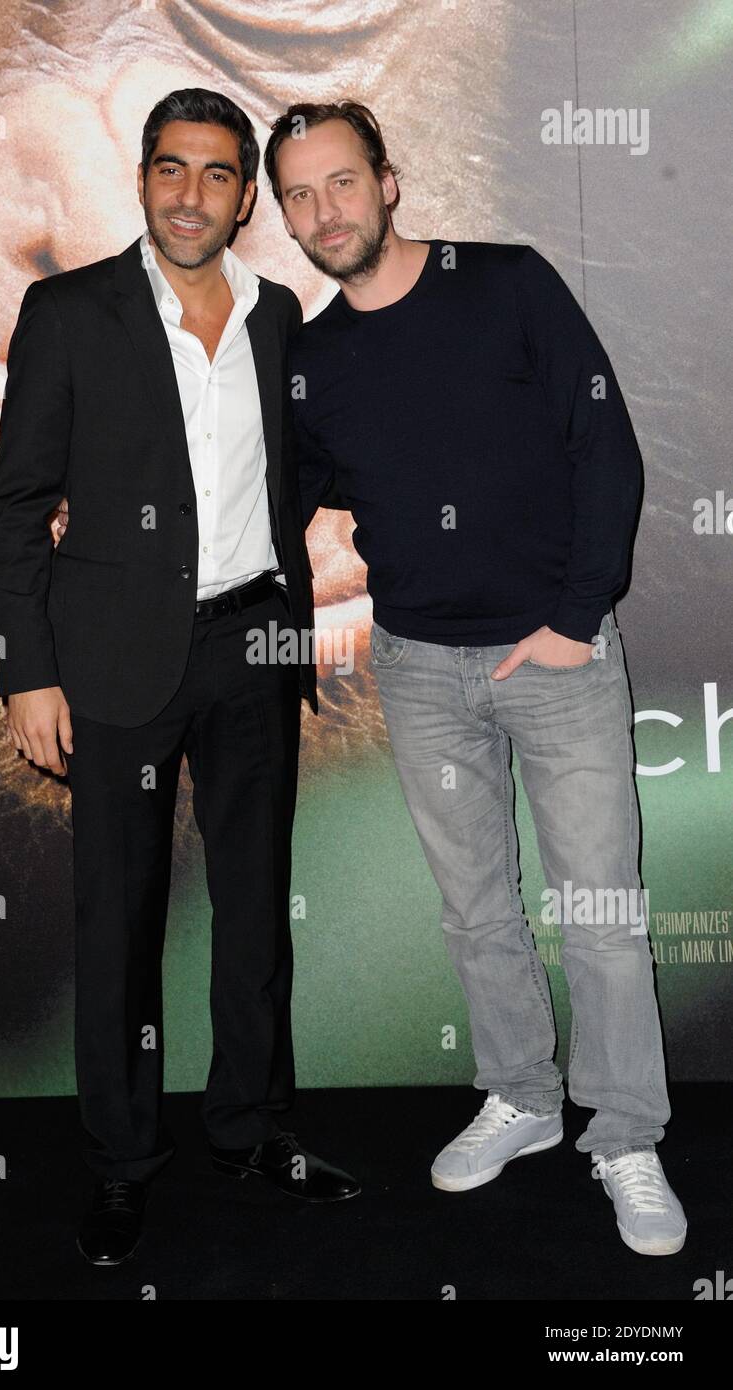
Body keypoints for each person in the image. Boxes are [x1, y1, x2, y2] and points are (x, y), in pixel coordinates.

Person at [262, 99, 686, 1257]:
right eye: (298, 194)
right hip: (416, 664)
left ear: (388, 182)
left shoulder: (505, 283)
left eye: (341, 182)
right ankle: (523, 1098)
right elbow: (281, 506)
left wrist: (571, 615)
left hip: (554, 655)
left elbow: (603, 446)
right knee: (477, 910)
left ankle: (624, 1133)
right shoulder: (311, 355)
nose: (323, 210)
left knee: (596, 912)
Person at [0, 87, 360, 1269]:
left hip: (252, 645)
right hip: (111, 657)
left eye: (214, 175)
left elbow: (300, 469)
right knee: (121, 924)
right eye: (168, 169)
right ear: (141, 180)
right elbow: (15, 508)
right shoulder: (68, 311)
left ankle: (251, 1130)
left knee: (254, 913)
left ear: (246, 196)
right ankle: (119, 1165)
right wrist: (25, 671)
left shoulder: (280, 313)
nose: (189, 195)